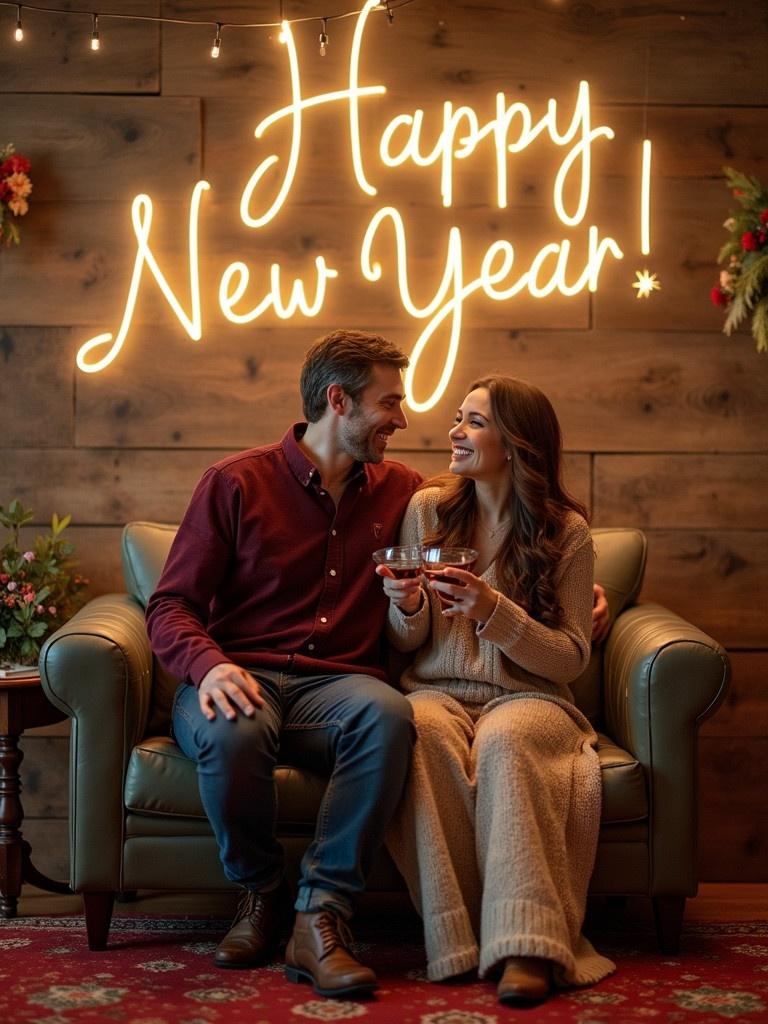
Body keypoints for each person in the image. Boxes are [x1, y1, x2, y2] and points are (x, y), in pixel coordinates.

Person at [145, 329, 423, 999]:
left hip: (340, 688)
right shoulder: (235, 482)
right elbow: (171, 605)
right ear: (339, 401)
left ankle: (319, 913)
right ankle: (261, 892)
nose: (403, 420)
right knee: (232, 728)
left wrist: (575, 581)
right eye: (390, 403)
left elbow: (502, 513)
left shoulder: (405, 491)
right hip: (238, 671)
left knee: (388, 717)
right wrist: (209, 667)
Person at [376, 375, 616, 1006]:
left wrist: (493, 609)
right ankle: (454, 939)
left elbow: (568, 658)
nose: (454, 432)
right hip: (437, 692)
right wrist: (404, 605)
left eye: (473, 422)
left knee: (508, 741)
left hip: (530, 699)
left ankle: (526, 946)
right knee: (418, 729)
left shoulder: (567, 534)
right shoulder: (428, 509)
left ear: (515, 444)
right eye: (459, 419)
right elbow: (408, 641)